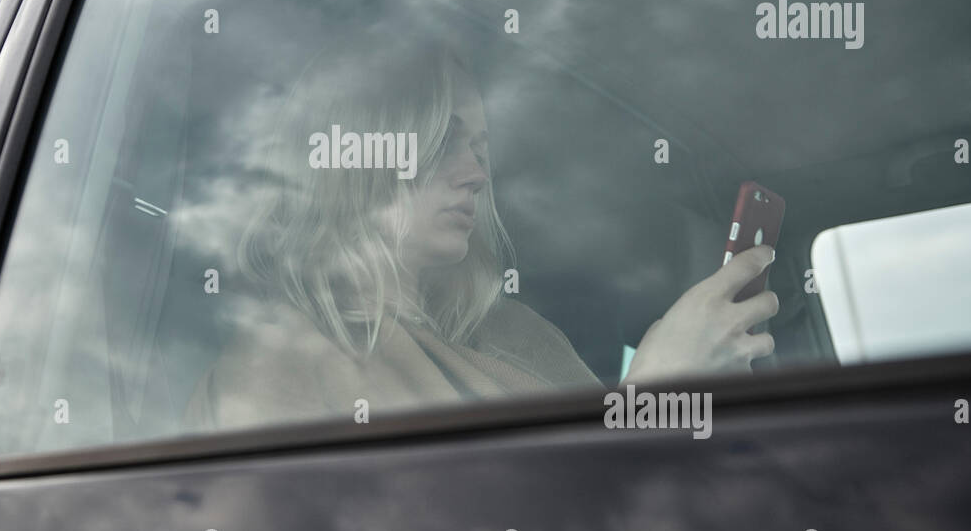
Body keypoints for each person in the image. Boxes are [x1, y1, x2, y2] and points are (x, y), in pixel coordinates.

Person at [182, 36, 778, 432]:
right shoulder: (277, 369)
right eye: (445, 140)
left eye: (480, 148)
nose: (477, 174)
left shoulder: (521, 336)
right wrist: (654, 393)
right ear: (357, 156)